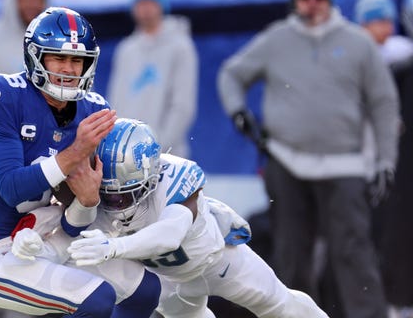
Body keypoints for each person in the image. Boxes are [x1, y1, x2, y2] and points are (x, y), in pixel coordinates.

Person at [0, 7, 161, 317]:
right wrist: (75, 151)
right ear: (36, 56)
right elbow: (12, 189)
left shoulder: (93, 110)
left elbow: (74, 223)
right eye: (58, 58)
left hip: (50, 236)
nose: (68, 69)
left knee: (145, 291)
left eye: (76, 60)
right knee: (96, 299)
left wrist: (89, 200)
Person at [217, 0, 401, 317]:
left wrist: (386, 160)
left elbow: (384, 104)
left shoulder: (357, 43)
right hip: (286, 162)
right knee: (291, 256)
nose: (309, 4)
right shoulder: (276, 38)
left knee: (354, 253)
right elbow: (231, 74)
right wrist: (238, 112)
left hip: (345, 165)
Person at [60, 118, 329, 318]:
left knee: (279, 305)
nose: (114, 204)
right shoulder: (94, 194)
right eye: (108, 195)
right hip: (169, 285)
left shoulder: (175, 176)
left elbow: (169, 235)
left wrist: (115, 247)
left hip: (219, 262)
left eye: (124, 196)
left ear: (151, 177)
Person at [355, 0, 413, 317]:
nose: (387, 29)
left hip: (387, 164)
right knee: (371, 238)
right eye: (380, 21)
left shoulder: (399, 54)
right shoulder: (354, 55)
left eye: (390, 22)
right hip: (363, 165)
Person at [106, 0, 198, 158]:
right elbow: (115, 101)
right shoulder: (126, 49)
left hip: (167, 158)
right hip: (125, 159)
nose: (145, 8)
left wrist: (156, 148)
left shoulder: (181, 47)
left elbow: (183, 106)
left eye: (151, 1)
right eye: (140, 2)